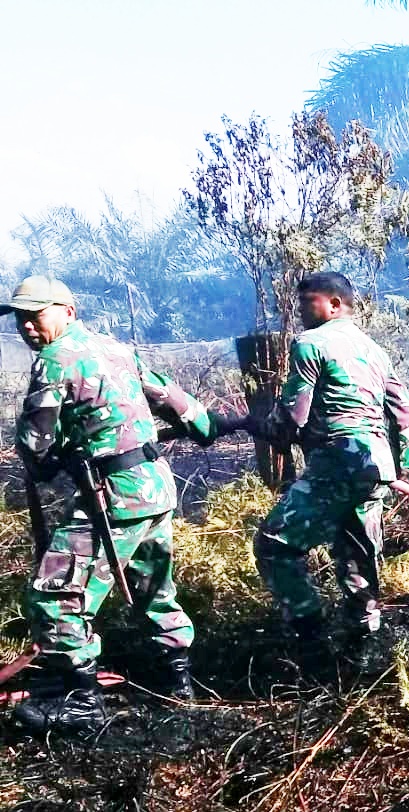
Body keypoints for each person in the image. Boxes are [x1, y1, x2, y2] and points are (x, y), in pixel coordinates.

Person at [5, 276, 235, 736]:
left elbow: (35, 445)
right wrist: (208, 425)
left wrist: (50, 461)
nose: (28, 325)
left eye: (37, 314)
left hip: (112, 497)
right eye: (20, 317)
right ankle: (178, 683)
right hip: (154, 488)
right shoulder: (115, 348)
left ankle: (80, 704)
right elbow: (172, 399)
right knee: (153, 588)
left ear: (68, 311)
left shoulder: (54, 360)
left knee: (53, 595)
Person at [251, 271, 409, 676]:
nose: (300, 310)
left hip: (335, 461)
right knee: (358, 552)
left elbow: (293, 416)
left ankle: (312, 642)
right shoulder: (373, 349)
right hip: (375, 466)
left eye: (308, 302)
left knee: (275, 546)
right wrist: (402, 465)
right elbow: (404, 411)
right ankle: (365, 647)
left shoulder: (310, 344)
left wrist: (268, 428)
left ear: (335, 304)